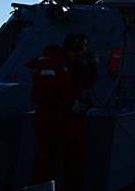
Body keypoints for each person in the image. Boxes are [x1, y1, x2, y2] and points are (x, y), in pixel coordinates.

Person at [26, 33, 97, 190]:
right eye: (84, 46)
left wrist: (92, 67)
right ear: (76, 46)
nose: (86, 50)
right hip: (52, 123)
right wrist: (69, 105)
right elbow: (43, 94)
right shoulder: (52, 64)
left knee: (74, 164)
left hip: (70, 124)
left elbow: (84, 84)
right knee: (46, 165)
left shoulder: (73, 65)